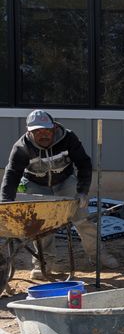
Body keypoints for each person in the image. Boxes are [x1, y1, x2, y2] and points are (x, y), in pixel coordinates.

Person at [0, 109, 115, 275]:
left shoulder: (68, 138)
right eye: (37, 131)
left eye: (47, 129)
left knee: (82, 220)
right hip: (35, 185)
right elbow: (12, 175)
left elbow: (84, 163)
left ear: (54, 127)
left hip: (65, 182)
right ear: (29, 131)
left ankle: (98, 255)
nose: (43, 134)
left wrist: (82, 191)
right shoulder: (22, 147)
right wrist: (5, 203)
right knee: (41, 227)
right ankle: (43, 263)